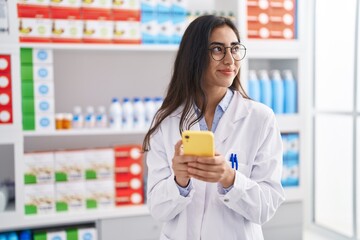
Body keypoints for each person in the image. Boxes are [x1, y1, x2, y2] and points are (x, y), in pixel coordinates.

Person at [142, 15, 285, 240]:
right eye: (218, 49)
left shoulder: (260, 118)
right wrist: (179, 181)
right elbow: (158, 209)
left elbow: (266, 207)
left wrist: (230, 178)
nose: (230, 60)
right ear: (194, 56)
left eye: (235, 48)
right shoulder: (166, 120)